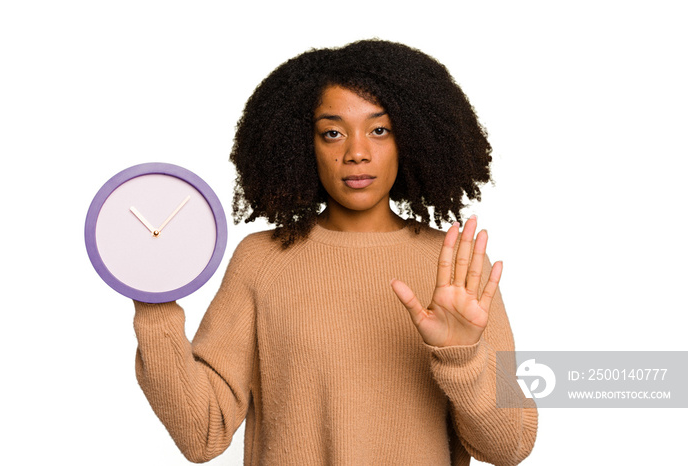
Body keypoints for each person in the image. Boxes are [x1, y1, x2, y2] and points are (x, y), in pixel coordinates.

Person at [133, 39, 538, 465]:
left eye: (379, 130)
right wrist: (153, 304)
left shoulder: (458, 267)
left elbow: (510, 447)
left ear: (411, 139)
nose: (357, 153)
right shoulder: (261, 261)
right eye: (333, 133)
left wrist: (463, 358)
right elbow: (202, 433)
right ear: (304, 145)